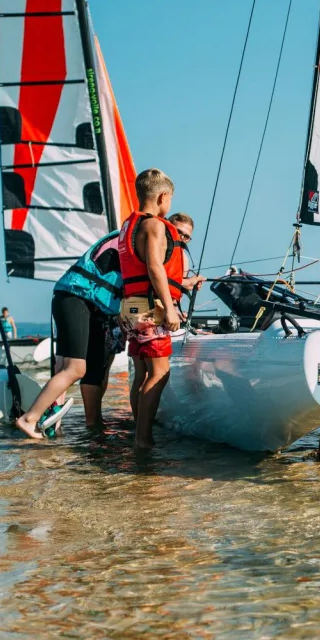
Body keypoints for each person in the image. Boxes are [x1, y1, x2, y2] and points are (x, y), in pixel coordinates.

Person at [118, 170, 204, 450]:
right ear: (163, 197)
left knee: (142, 373)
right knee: (159, 373)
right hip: (149, 307)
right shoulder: (154, 225)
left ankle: (138, 431)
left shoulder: (128, 225)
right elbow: (155, 266)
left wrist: (182, 285)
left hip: (131, 305)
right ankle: (143, 439)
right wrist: (169, 308)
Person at [13, 231, 125, 439]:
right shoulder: (132, 241)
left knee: (63, 366)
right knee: (75, 368)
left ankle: (51, 425)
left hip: (70, 297)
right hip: (76, 298)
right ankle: (29, 419)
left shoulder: (122, 238)